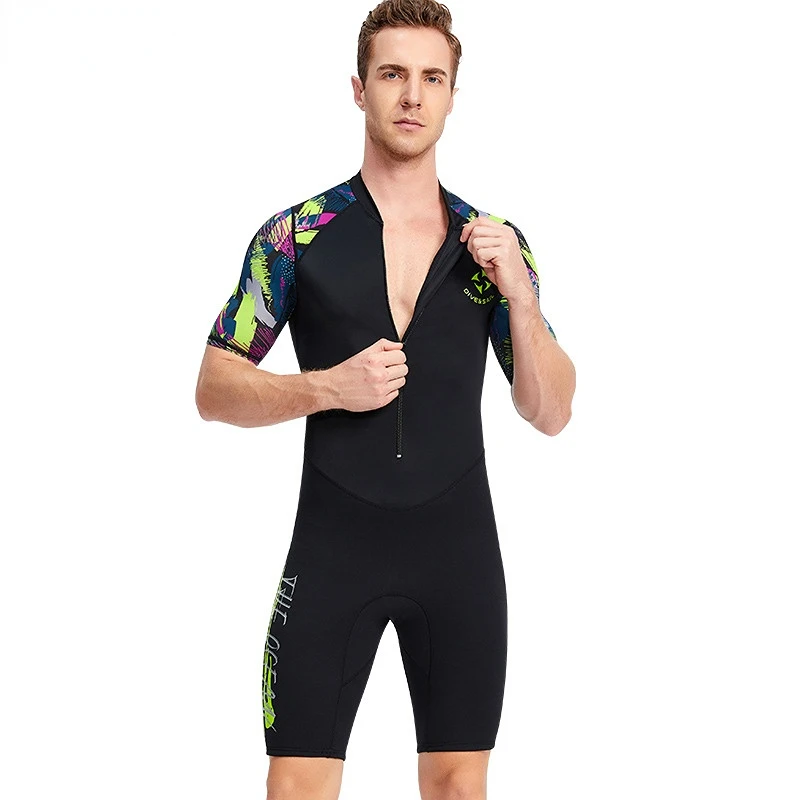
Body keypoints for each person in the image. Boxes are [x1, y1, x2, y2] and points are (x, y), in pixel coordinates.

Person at [195, 1, 576, 797]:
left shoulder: (492, 246)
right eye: (393, 73)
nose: (411, 94)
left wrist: (520, 295)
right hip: (332, 551)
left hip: (459, 555)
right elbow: (213, 387)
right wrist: (325, 387)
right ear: (359, 88)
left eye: (432, 77)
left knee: (459, 787)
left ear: (452, 95)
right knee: (296, 786)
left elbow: (550, 412)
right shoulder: (296, 236)